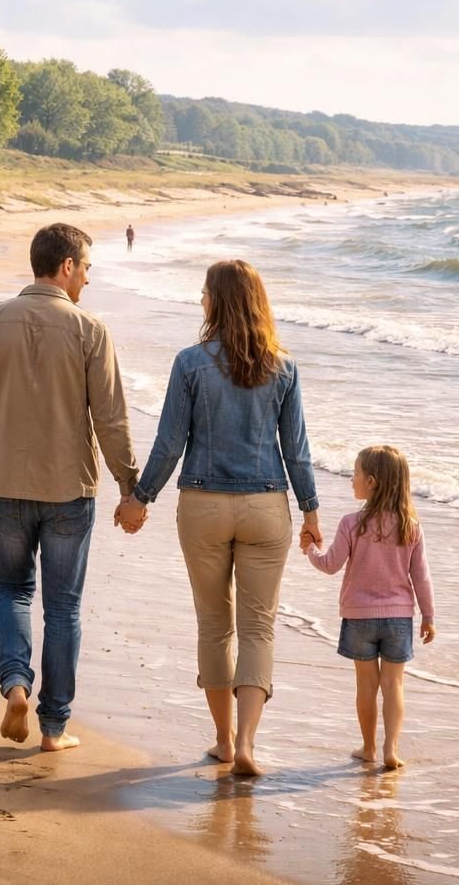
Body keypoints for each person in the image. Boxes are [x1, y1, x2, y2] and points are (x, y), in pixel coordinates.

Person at [0, 223, 144, 752]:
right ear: (66, 267)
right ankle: (53, 728)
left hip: (5, 481)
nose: (88, 280)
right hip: (68, 490)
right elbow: (111, 419)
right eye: (86, 269)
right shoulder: (90, 330)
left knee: (11, 590)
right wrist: (129, 486)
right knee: (63, 608)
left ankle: (15, 685)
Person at [129, 259, 320, 776]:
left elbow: (170, 443)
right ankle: (248, 742)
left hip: (203, 506)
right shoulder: (284, 365)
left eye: (205, 293)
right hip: (266, 505)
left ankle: (223, 741)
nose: (200, 300)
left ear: (218, 300)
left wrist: (140, 497)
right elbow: (296, 450)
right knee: (258, 628)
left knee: (214, 626)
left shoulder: (190, 362)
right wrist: (311, 509)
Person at [302, 445, 436, 770]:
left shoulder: (352, 523)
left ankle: (368, 748)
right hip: (399, 618)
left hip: (359, 617)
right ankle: (391, 749)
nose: (352, 479)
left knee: (366, 686)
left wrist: (311, 549)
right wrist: (429, 616)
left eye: (357, 474)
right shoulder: (410, 526)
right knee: (394, 686)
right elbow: (422, 577)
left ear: (372, 481)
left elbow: (330, 565)